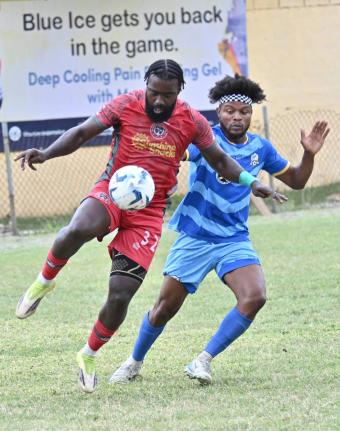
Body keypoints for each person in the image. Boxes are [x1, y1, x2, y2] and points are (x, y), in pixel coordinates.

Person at [14, 61, 282, 393]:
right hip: (112, 190)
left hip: (149, 213)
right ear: (146, 85)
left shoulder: (191, 121)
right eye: (153, 92)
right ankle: (43, 283)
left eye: (166, 96)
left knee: (121, 296)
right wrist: (47, 153)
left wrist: (250, 181)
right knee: (79, 227)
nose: (158, 101)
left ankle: (89, 354)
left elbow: (220, 160)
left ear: (179, 92)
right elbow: (82, 132)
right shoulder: (125, 105)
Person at [109, 74, 329, 386]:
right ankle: (133, 362)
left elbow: (296, 181)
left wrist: (308, 154)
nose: (237, 117)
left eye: (243, 112)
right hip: (195, 237)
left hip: (233, 238)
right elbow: (177, 153)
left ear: (251, 115)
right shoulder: (205, 139)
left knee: (255, 297)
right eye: (230, 111)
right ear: (219, 113)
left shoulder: (260, 148)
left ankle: (203, 360)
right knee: (163, 310)